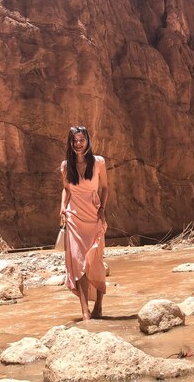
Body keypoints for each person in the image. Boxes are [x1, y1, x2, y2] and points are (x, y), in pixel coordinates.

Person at [59, 126, 108, 321]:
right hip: (74, 217)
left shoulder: (98, 163)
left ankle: (99, 306)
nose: (78, 144)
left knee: (95, 262)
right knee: (78, 263)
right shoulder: (65, 166)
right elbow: (66, 189)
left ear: (87, 141)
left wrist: (103, 210)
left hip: (94, 216)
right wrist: (62, 207)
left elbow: (104, 188)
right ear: (70, 143)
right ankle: (84, 311)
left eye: (81, 140)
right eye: (74, 141)